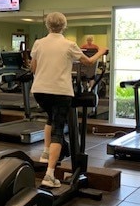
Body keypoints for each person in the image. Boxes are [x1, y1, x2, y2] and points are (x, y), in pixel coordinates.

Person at [30, 12, 108, 188]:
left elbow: (33, 68)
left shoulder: (38, 43)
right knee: (58, 128)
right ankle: (49, 175)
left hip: (40, 91)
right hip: (60, 91)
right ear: (64, 26)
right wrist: (101, 52)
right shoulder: (69, 45)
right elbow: (88, 62)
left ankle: (45, 152)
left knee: (51, 118)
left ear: (47, 26)